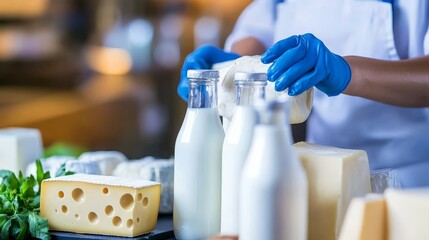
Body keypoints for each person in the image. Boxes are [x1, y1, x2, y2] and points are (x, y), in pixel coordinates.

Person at [177, 0, 429, 188]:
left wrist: (346, 71)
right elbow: (256, 31)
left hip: (408, 183)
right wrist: (233, 67)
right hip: (324, 177)